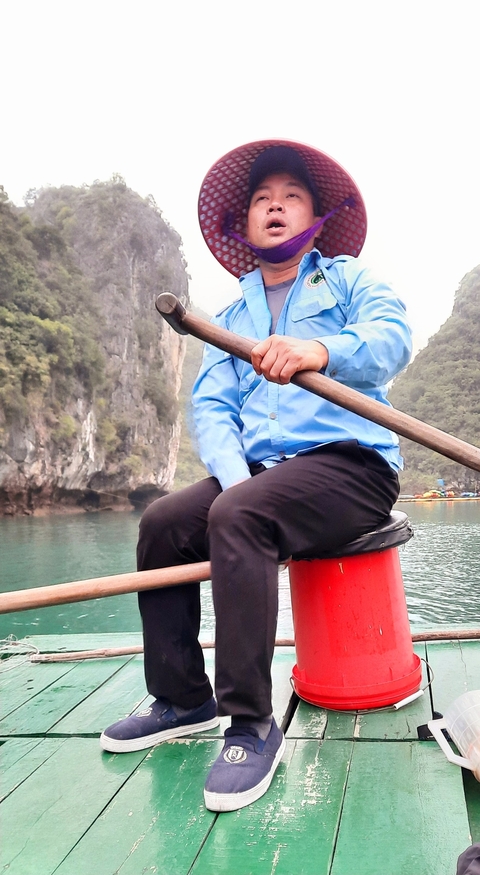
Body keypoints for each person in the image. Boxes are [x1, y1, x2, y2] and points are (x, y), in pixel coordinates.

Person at [100, 138, 412, 813]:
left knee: (238, 515)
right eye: (261, 201)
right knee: (164, 525)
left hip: (351, 465)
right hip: (266, 474)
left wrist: (320, 348)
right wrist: (237, 480)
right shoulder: (230, 319)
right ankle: (183, 699)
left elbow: (391, 337)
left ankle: (250, 723)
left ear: (317, 219)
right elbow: (212, 407)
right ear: (242, 226)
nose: (275, 207)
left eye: (291, 197)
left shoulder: (348, 279)